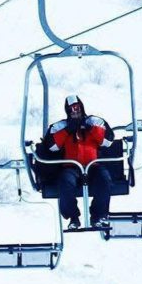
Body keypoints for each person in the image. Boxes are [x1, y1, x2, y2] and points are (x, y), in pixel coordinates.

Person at [43, 95, 115, 229]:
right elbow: (52, 147)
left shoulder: (94, 122)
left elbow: (107, 141)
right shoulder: (61, 127)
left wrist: (90, 128)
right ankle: (73, 217)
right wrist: (67, 131)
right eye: (71, 110)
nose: (74, 112)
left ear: (82, 107)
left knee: (105, 180)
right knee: (65, 183)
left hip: (93, 166)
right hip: (72, 167)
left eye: (77, 108)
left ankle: (98, 215)